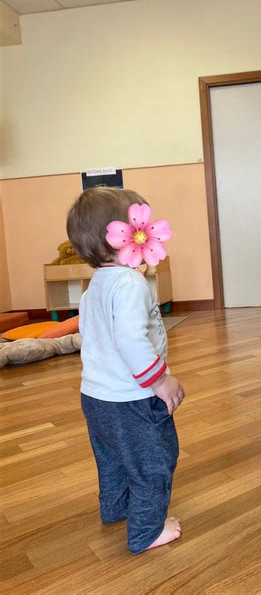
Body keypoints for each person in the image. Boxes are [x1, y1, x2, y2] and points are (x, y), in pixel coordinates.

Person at [67, 187, 185, 554]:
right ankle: (147, 530)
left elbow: (90, 336)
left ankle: (117, 508)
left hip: (95, 396)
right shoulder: (130, 284)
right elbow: (131, 342)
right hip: (131, 399)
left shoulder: (94, 287)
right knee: (155, 461)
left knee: (113, 458)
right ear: (121, 236)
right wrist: (161, 380)